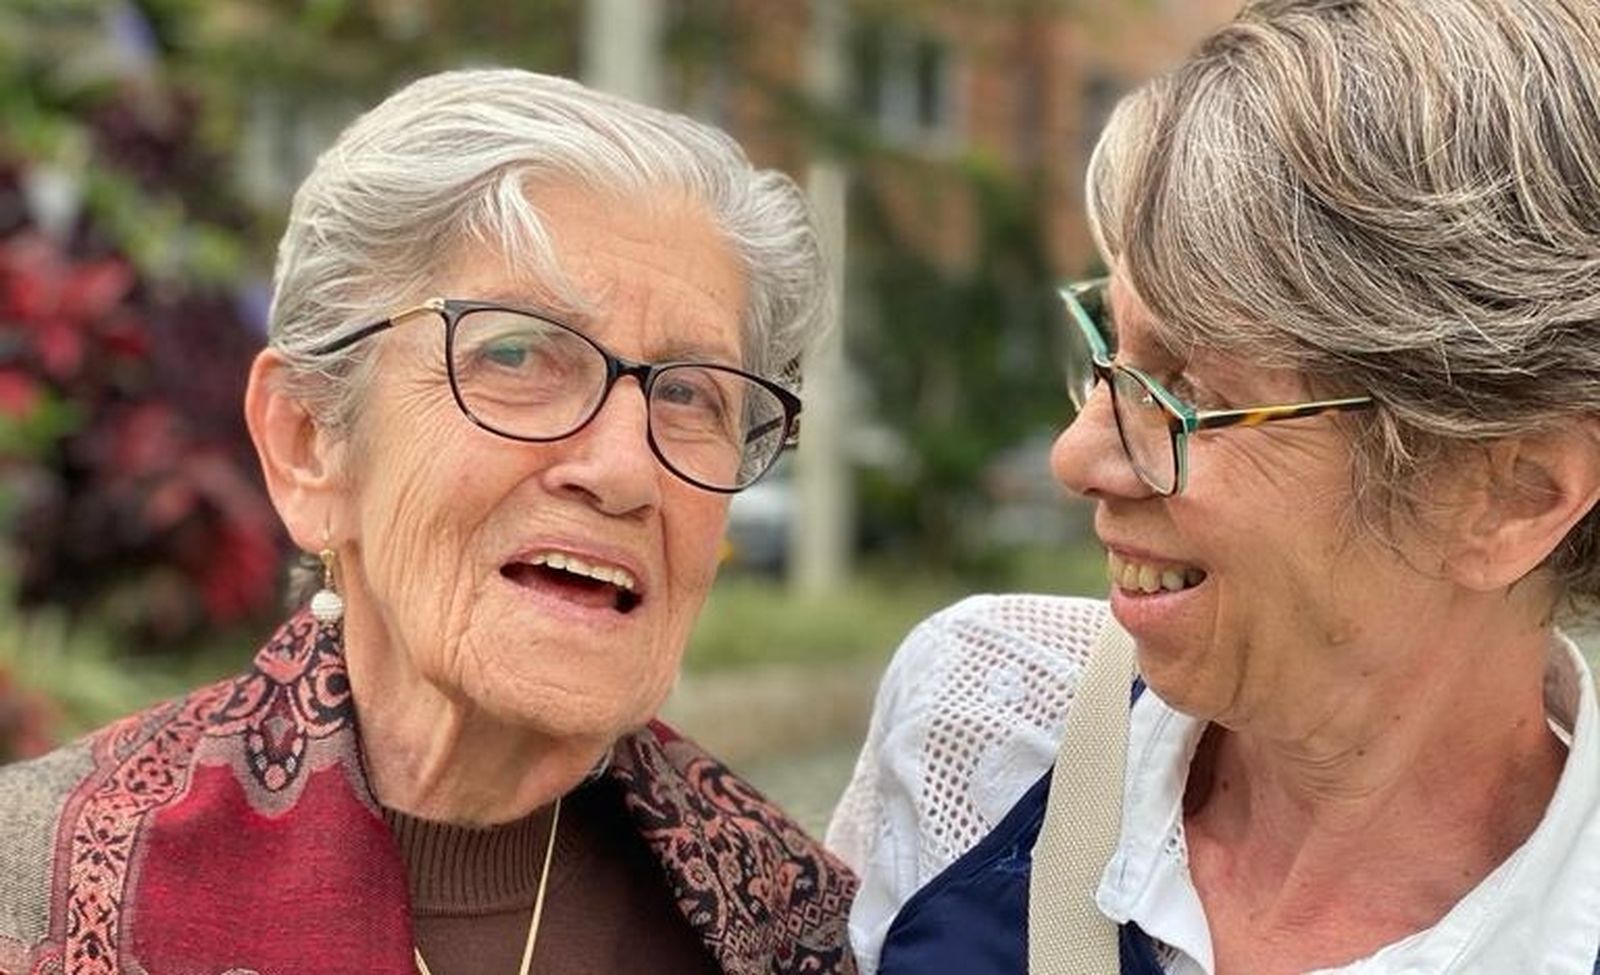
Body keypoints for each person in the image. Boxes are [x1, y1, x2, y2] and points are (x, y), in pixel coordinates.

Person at [0, 68, 856, 975]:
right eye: (517, 353)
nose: (623, 471)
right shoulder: (38, 886)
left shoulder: (785, 923)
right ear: (308, 443)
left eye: (688, 393)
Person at [829, 1, 1600, 972]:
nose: (1077, 458)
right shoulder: (989, 721)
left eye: (1187, 391)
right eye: (1113, 356)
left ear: (1515, 496)